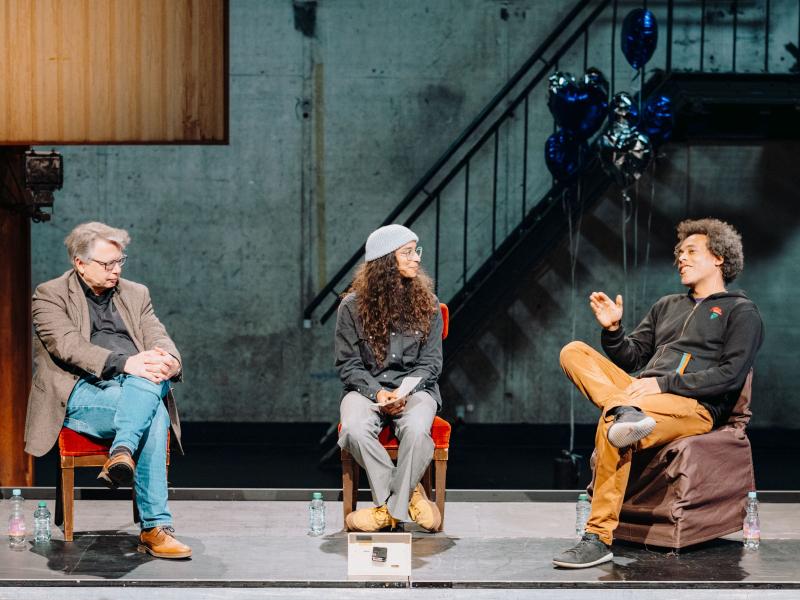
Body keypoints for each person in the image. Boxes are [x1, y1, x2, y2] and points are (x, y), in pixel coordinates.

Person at [552, 218, 764, 568]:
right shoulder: (667, 305)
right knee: (573, 351)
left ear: (719, 258)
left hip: (692, 405)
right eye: (679, 252)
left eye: (691, 251)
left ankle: (598, 537)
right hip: (640, 395)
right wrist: (614, 330)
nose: (681, 257)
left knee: (612, 424)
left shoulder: (741, 311)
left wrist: (663, 384)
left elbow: (730, 375)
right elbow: (633, 355)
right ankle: (625, 411)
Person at [24, 222, 191, 559]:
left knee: (150, 393)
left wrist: (170, 361)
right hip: (81, 392)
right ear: (79, 262)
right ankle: (154, 528)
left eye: (120, 262)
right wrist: (127, 364)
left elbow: (156, 335)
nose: (116, 270)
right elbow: (67, 346)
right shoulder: (49, 294)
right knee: (153, 406)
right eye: (107, 264)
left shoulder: (135, 293)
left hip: (134, 386)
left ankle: (123, 450)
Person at [336, 224, 444, 532]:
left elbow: (431, 363)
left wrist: (404, 393)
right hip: (366, 389)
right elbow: (348, 365)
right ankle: (408, 498)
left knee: (417, 430)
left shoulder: (429, 304)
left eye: (416, 251)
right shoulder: (351, 308)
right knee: (353, 429)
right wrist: (377, 394)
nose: (416, 259)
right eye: (407, 253)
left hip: (417, 390)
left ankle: (387, 512)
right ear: (385, 261)